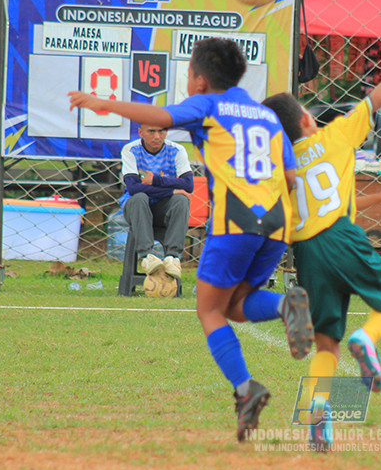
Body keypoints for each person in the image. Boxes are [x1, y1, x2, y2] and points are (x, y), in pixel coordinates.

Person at [69, 37, 313, 442]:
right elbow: (290, 177)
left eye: (187, 74)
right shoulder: (265, 115)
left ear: (199, 80)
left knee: (209, 311)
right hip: (276, 223)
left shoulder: (209, 105)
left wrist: (105, 103)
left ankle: (246, 387)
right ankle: (289, 307)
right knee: (235, 306)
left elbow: (158, 115)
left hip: (236, 217)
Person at [262, 41, 381, 451]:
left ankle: (319, 411)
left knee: (326, 343)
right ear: (306, 117)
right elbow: (376, 98)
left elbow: (323, 207)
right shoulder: (337, 134)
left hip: (306, 252)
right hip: (340, 236)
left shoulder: (278, 168)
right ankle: (368, 339)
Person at [119, 123, 193, 278]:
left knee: (181, 200)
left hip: (162, 207)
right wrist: (171, 189)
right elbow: (133, 188)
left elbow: (188, 184)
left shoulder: (177, 150)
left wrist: (156, 180)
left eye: (161, 131)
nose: (157, 136)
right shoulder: (131, 150)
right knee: (139, 198)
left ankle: (173, 257)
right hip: (136, 208)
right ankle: (146, 257)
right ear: (141, 132)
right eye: (151, 131)